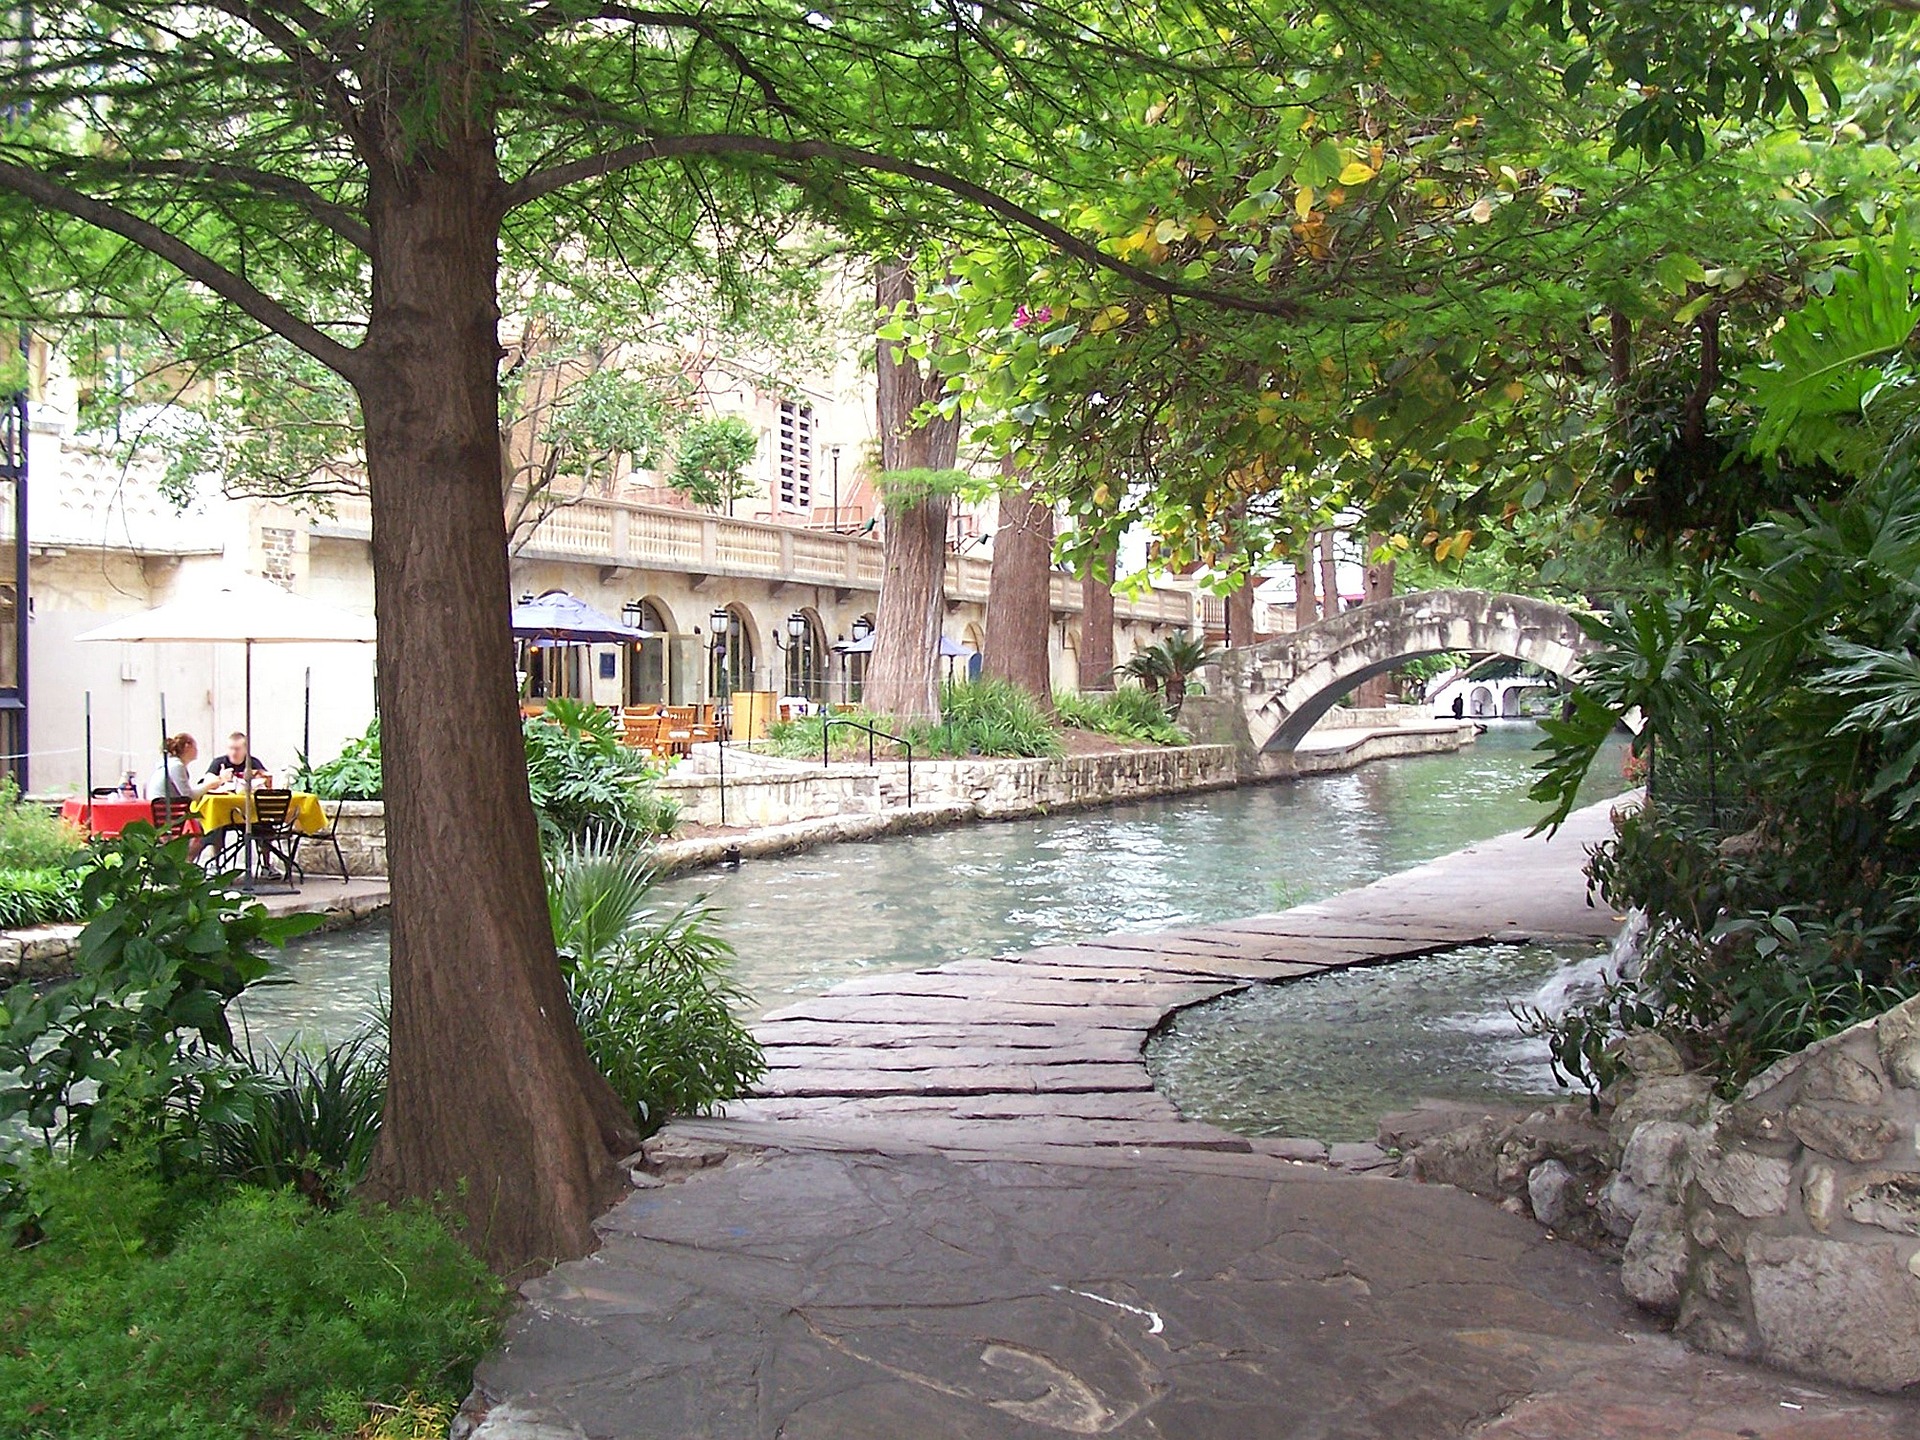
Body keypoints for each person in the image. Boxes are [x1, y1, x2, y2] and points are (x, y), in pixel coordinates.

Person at [146, 733, 214, 802]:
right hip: (167, 808)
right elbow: (188, 796)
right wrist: (209, 786)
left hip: (162, 806)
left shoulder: (170, 764)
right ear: (187, 747)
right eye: (195, 747)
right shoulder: (177, 766)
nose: (197, 750)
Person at [205, 731, 273, 792]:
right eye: (231, 748)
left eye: (237, 749)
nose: (233, 752)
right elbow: (205, 784)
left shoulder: (253, 763)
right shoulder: (218, 762)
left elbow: (267, 784)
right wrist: (221, 779)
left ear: (246, 749)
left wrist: (262, 778)